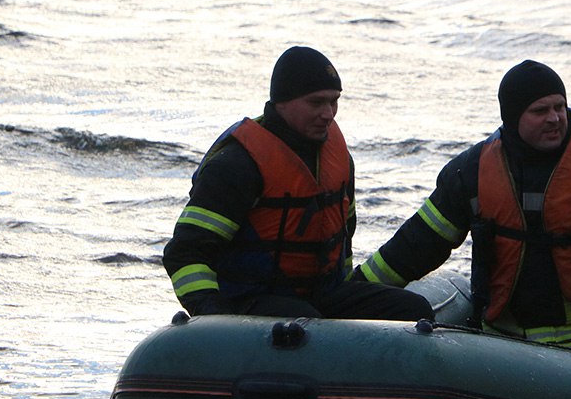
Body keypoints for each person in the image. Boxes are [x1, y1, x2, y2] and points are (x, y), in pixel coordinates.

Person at [354, 59, 571, 346]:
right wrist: (355, 292)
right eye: (540, 111)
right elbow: (419, 243)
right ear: (513, 117)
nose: (554, 118)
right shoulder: (473, 170)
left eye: (559, 107)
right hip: (508, 348)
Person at [162, 46, 434, 322]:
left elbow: (344, 239)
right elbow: (184, 254)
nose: (329, 114)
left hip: (319, 295)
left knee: (414, 310)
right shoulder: (237, 164)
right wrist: (211, 315)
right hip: (247, 300)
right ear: (282, 102)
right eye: (316, 103)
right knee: (305, 319)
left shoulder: (338, 159)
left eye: (334, 102)